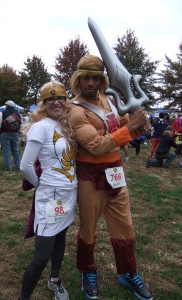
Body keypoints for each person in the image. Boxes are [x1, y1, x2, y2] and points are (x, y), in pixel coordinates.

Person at [69, 54, 153, 300]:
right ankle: (87, 271)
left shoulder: (109, 101)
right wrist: (130, 127)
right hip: (89, 176)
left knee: (125, 227)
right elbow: (95, 144)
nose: (91, 83)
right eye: (86, 78)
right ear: (78, 79)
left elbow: (121, 124)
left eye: (96, 78)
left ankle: (128, 272)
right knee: (88, 230)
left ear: (102, 80)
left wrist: (139, 123)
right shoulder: (74, 110)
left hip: (115, 173)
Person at [19, 81, 77, 300]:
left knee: (61, 237)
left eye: (60, 98)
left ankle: (55, 280)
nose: (56, 102)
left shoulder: (67, 125)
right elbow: (25, 165)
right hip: (51, 196)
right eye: (50, 99)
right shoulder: (40, 127)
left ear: (65, 101)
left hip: (69, 193)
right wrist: (41, 185)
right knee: (42, 255)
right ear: (43, 104)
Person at [0, 100, 21, 171]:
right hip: (15, 133)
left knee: (6, 150)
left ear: (7, 106)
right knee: (15, 149)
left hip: (5, 133)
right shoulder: (17, 113)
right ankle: (19, 165)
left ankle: (9, 167)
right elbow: (20, 123)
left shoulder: (2, 113)